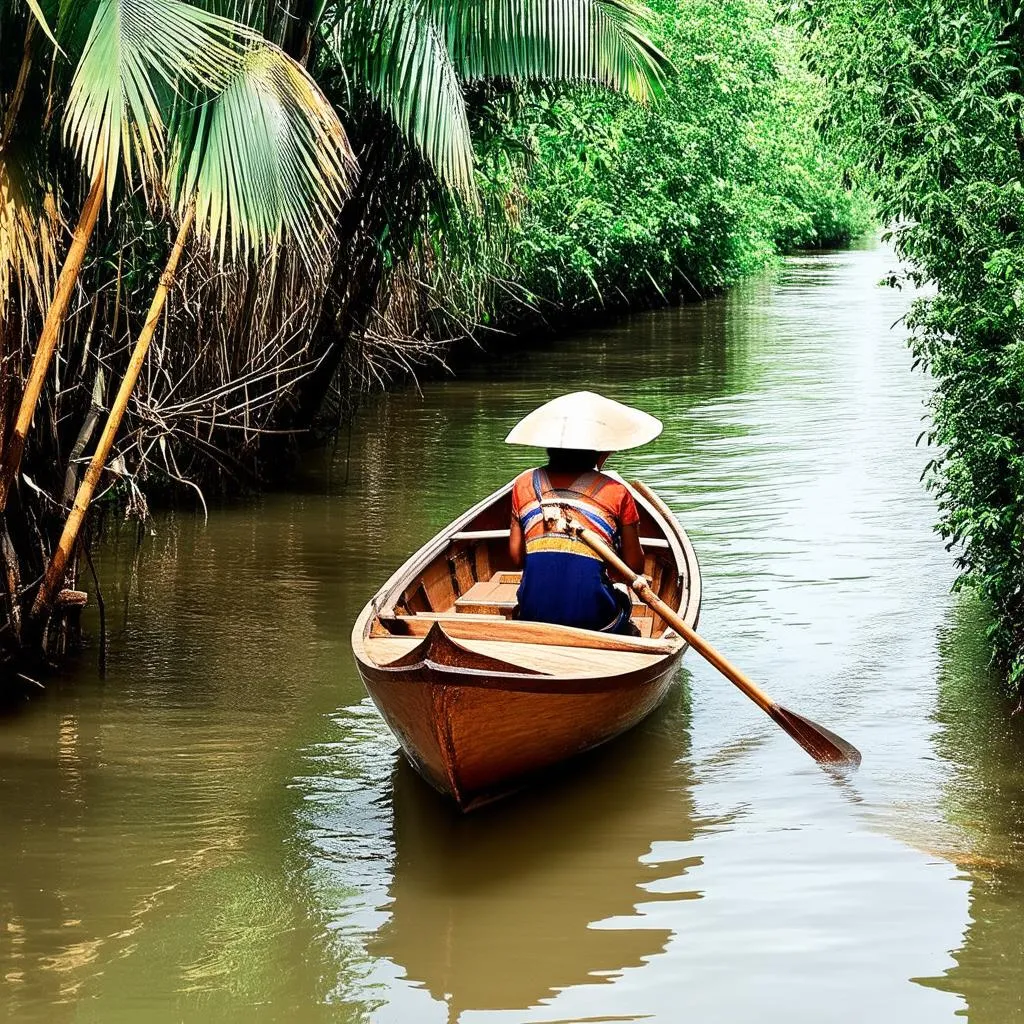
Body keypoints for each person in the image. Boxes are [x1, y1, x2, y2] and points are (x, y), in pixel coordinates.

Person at [504, 391, 662, 633]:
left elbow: (515, 558)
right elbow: (634, 565)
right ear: (601, 451)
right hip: (596, 623)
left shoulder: (523, 484)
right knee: (622, 598)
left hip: (532, 616)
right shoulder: (617, 492)